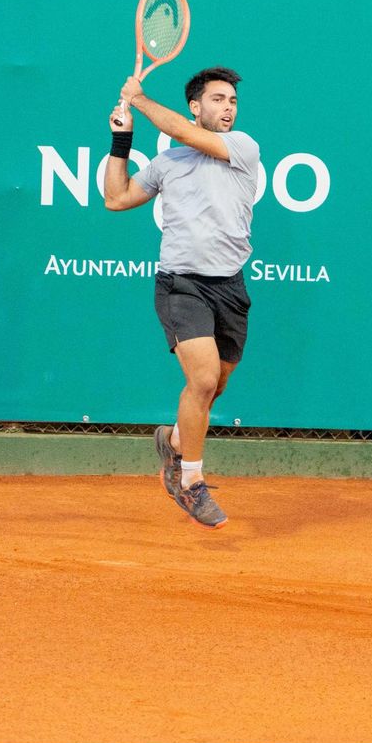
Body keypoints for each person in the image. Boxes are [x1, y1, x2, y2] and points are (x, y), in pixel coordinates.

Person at [102, 67, 263, 529]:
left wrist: (138, 97)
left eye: (231, 100)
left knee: (217, 386)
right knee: (204, 377)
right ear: (197, 105)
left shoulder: (243, 148)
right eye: (216, 100)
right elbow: (117, 199)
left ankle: (173, 441)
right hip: (181, 284)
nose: (227, 107)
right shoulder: (167, 164)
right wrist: (121, 141)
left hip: (229, 286)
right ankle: (190, 481)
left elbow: (179, 129)